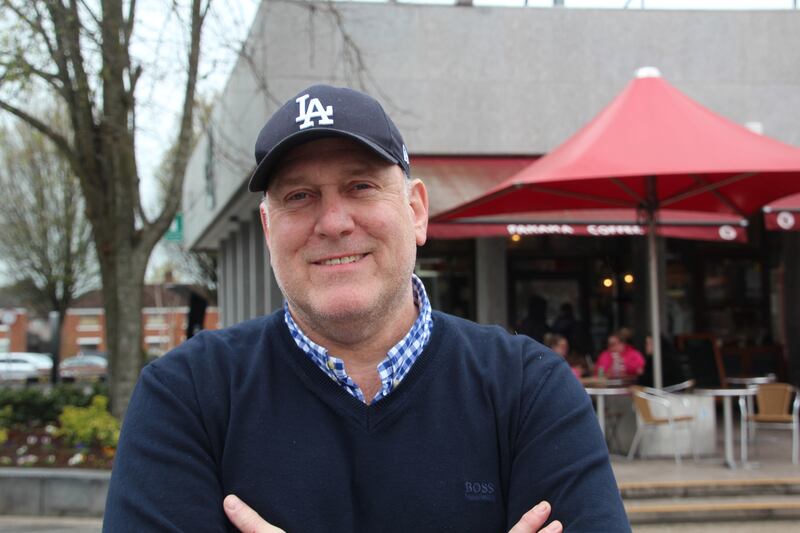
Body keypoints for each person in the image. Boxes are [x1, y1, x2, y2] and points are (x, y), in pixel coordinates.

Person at [103, 85, 630, 532]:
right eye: (299, 196)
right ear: (268, 230)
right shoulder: (186, 397)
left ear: (416, 211)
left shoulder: (530, 389)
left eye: (361, 186)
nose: (333, 222)